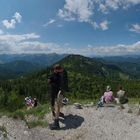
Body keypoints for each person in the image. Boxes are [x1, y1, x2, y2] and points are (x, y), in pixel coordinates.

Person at [48, 64, 68, 130]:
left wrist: (61, 89)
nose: (57, 71)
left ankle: (56, 124)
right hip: (58, 91)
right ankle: (56, 114)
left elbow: (64, 82)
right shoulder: (61, 73)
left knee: (58, 105)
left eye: (57, 70)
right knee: (57, 104)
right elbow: (50, 81)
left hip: (60, 91)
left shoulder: (62, 73)